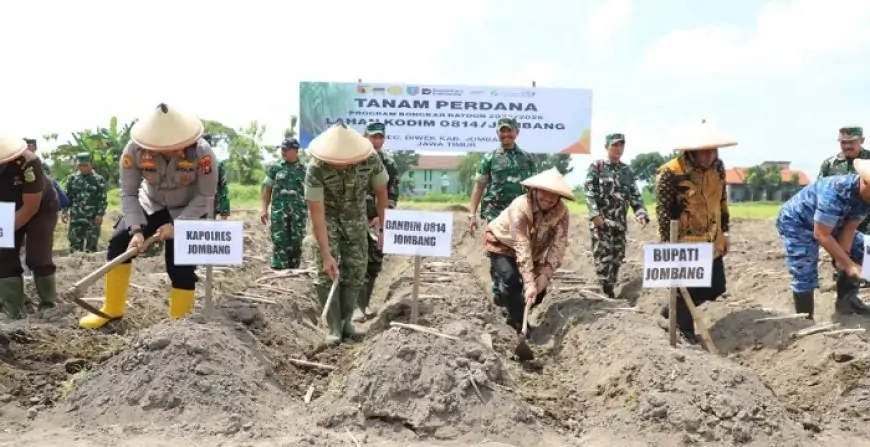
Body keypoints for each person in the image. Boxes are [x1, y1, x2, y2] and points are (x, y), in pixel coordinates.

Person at [78, 103, 218, 329]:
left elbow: (207, 195)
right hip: (150, 203)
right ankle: (112, 309)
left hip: (188, 208)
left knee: (180, 265)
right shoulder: (134, 151)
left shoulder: (203, 153)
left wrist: (178, 226)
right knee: (119, 243)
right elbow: (129, 192)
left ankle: (178, 324)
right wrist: (136, 230)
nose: (169, 151)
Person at [305, 123, 389, 345]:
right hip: (327, 220)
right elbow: (317, 213)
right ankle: (333, 327)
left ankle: (346, 322)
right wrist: (325, 254)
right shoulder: (315, 168)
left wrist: (383, 229)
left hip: (355, 219)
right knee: (325, 273)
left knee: (356, 268)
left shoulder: (371, 159)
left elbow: (382, 193)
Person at [655, 119, 734, 345]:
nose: (709, 157)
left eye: (713, 151)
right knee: (685, 286)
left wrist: (725, 232)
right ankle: (684, 331)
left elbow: (722, 201)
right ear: (691, 151)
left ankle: (673, 310)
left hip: (712, 238)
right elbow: (663, 211)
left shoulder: (718, 167)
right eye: (704, 152)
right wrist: (667, 245)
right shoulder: (670, 172)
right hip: (684, 241)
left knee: (716, 287)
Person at [483, 168, 573, 335]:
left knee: (539, 292)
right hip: (503, 243)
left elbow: (558, 245)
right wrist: (529, 282)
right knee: (512, 281)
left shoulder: (561, 212)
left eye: (553, 195)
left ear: (559, 197)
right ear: (535, 190)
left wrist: (545, 274)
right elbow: (521, 245)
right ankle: (518, 324)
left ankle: (514, 309)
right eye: (544, 193)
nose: (548, 198)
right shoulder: (521, 207)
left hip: (534, 250)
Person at [777, 159, 870, 319]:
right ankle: (804, 320)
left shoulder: (866, 198)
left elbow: (850, 226)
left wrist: (843, 257)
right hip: (798, 222)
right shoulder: (835, 192)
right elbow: (821, 234)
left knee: (866, 248)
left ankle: (847, 302)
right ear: (866, 183)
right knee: (804, 269)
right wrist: (849, 266)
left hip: (834, 223)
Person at [468, 117, 537, 305]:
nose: (506, 134)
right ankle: (501, 292)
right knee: (497, 256)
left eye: (509, 131)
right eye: (502, 131)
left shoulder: (527, 158)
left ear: (517, 132)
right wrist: (472, 214)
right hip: (495, 215)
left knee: (518, 254)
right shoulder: (490, 158)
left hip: (520, 216)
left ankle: (513, 293)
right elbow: (479, 186)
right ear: (497, 133)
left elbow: (534, 190)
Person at [0, 134, 60, 319]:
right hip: (5, 208)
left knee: (38, 254)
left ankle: (49, 304)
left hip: (40, 208)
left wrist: (4, 230)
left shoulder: (28, 163)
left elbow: (30, 207)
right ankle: (13, 308)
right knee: (3, 254)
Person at [584, 133, 650, 298]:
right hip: (602, 224)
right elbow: (589, 192)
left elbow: (635, 194)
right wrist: (594, 214)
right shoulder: (597, 167)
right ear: (607, 147)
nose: (618, 149)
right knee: (603, 260)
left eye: (621, 145)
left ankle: (610, 289)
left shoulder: (626, 170)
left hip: (619, 224)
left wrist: (641, 212)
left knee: (617, 259)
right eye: (615, 145)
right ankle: (606, 291)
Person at [818, 126, 870, 286]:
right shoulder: (830, 164)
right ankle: (843, 277)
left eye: (851, 142)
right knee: (840, 244)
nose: (847, 146)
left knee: (867, 245)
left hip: (867, 215)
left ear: (861, 141)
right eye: (843, 142)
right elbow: (820, 189)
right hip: (839, 215)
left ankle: (866, 278)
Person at [358, 122, 399, 320]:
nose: (376, 141)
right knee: (354, 262)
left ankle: (364, 304)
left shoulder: (388, 163)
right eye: (373, 137)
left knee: (373, 262)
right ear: (364, 136)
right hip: (354, 219)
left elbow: (392, 193)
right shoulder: (354, 159)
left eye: (380, 137)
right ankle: (353, 308)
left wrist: (383, 216)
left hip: (377, 221)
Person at [261, 138, 307, 270]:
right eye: (282, 149)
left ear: (296, 151)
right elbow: (267, 190)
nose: (283, 152)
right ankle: (279, 267)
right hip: (279, 212)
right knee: (279, 239)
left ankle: (294, 269)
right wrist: (264, 209)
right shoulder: (275, 168)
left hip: (299, 213)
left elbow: (311, 193)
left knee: (296, 240)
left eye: (287, 150)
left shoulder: (305, 170)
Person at [62, 153, 108, 252]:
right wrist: (64, 211)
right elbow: (67, 197)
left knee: (91, 247)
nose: (82, 168)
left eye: (85, 165)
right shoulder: (72, 179)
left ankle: (91, 267)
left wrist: (100, 214)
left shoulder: (98, 179)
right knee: (74, 247)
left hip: (92, 219)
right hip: (76, 218)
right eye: (80, 165)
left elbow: (102, 198)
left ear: (91, 164)